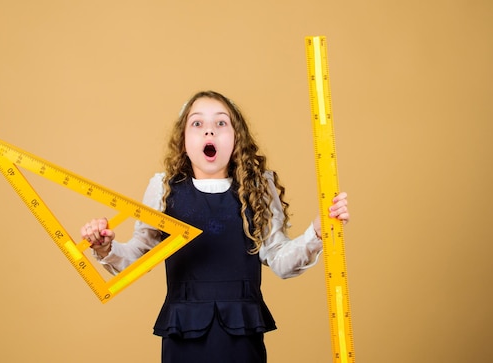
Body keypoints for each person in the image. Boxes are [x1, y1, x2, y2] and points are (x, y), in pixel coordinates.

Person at [81, 90, 349, 363]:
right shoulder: (162, 188)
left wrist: (316, 233)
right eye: (197, 124)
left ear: (236, 138)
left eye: (221, 123)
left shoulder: (258, 189)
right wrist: (105, 248)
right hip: (182, 332)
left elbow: (281, 261)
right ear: (184, 140)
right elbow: (136, 257)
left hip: (242, 333)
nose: (209, 131)